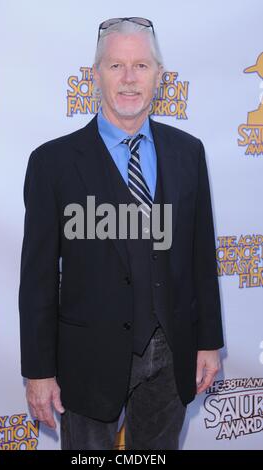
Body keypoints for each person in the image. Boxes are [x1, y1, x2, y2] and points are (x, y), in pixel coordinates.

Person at [19, 17, 224, 450]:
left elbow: (200, 255)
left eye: (141, 66)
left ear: (159, 77)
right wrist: (38, 371)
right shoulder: (52, 163)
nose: (129, 79)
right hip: (88, 359)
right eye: (115, 66)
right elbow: (37, 278)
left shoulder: (188, 152)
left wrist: (208, 342)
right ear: (95, 75)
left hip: (171, 357)